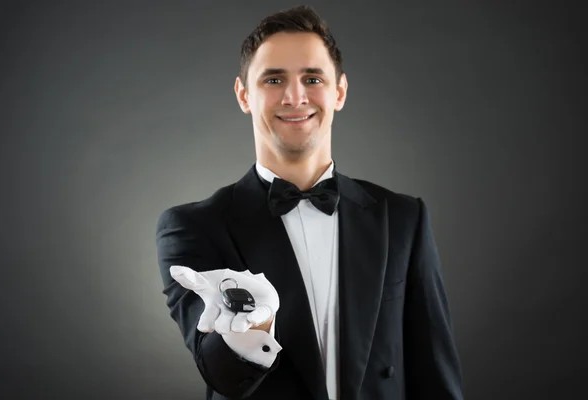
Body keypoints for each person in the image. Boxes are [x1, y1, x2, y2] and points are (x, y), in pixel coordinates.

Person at [156, 5, 464, 400]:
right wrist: (254, 327)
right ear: (244, 95)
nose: (295, 96)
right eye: (273, 79)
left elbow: (434, 372)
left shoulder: (403, 217)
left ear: (339, 92)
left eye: (312, 77)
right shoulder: (192, 227)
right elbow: (221, 375)